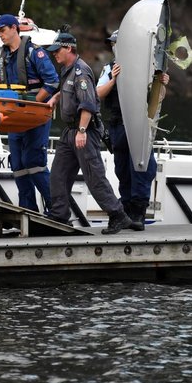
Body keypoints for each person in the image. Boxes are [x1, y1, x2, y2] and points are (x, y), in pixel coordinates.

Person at [45, 29, 140, 234]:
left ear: (68, 48)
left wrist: (81, 130)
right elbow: (72, 91)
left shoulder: (81, 71)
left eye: (57, 50)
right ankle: (59, 216)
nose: (54, 54)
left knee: (94, 177)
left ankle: (118, 215)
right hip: (69, 132)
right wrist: (57, 97)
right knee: (58, 175)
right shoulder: (68, 70)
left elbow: (88, 103)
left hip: (84, 131)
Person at [96, 29, 169, 230]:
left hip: (138, 125)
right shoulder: (109, 67)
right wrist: (112, 79)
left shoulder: (146, 67)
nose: (114, 46)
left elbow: (159, 98)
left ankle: (138, 212)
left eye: (117, 43)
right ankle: (126, 210)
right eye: (112, 43)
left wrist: (162, 83)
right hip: (118, 124)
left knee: (142, 166)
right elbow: (98, 93)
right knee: (122, 168)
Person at [0, 13, 60, 213]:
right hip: (14, 119)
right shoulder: (2, 58)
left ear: (14, 28)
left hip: (34, 117)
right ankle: (28, 212)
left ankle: (57, 209)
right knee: (18, 165)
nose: (0, 35)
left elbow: (52, 81)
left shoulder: (34, 53)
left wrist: (34, 104)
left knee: (35, 163)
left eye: (2, 30)